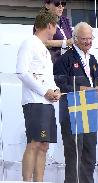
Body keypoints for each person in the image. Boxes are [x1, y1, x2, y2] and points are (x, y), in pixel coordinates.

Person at [53, 22, 98, 183]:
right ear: (75, 39)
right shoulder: (64, 59)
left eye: (90, 38)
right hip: (72, 109)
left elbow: (97, 81)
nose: (88, 42)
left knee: (90, 154)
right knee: (74, 155)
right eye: (84, 39)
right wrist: (81, 88)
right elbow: (59, 84)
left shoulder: (93, 58)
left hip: (90, 108)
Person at [16, 10, 61, 182]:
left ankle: (39, 180)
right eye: (55, 25)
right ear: (49, 25)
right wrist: (44, 92)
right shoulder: (30, 43)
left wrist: (55, 89)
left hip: (47, 103)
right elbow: (21, 72)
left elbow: (47, 78)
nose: (56, 29)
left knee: (44, 145)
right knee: (34, 143)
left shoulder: (42, 48)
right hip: (35, 102)